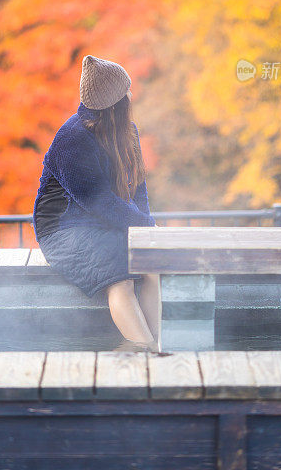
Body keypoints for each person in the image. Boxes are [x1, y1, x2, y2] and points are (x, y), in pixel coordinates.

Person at [32, 54, 161, 353]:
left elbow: (138, 188)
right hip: (64, 229)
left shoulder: (128, 132)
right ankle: (142, 351)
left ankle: (156, 341)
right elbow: (98, 201)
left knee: (154, 266)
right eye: (126, 90)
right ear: (116, 101)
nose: (131, 94)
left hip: (104, 221)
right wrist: (142, 227)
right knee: (121, 278)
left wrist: (147, 229)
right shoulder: (72, 139)